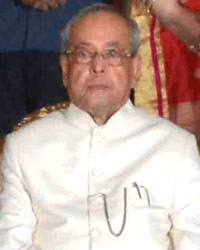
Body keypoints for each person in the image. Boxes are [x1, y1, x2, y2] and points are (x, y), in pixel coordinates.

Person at [1, 3, 200, 250]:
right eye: (84, 54)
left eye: (113, 54)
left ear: (136, 69)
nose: (97, 67)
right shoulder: (23, 147)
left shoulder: (176, 146)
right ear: (64, 69)